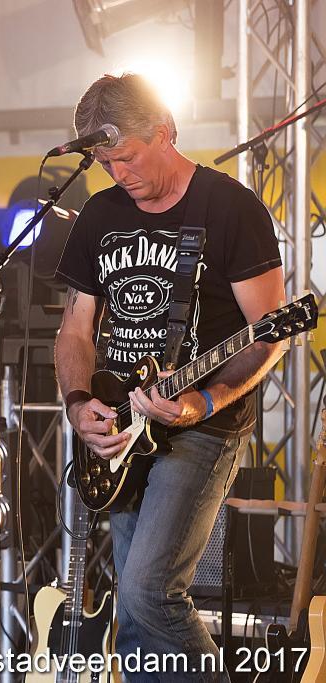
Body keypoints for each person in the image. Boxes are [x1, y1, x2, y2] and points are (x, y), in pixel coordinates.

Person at [54, 74, 286, 680]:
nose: (118, 174)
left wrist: (201, 401)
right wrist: (78, 402)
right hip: (124, 426)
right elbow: (75, 329)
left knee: (149, 593)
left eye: (127, 157)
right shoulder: (100, 214)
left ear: (165, 132)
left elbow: (269, 334)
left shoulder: (230, 208)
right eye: (106, 163)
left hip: (202, 427)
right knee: (132, 615)